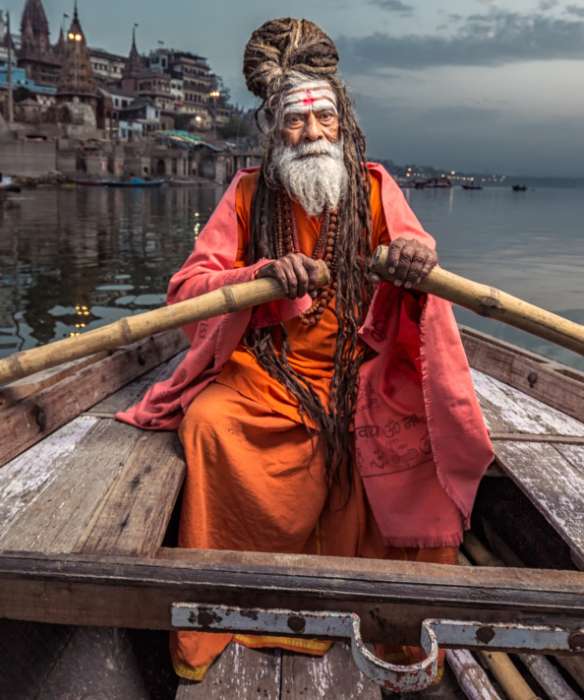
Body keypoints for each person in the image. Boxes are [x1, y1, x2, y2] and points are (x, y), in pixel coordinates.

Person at [118, 17, 493, 684]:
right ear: (271, 126)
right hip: (270, 373)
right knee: (209, 425)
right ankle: (232, 614)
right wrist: (255, 278)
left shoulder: (377, 188)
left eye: (323, 117)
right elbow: (186, 293)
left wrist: (415, 255)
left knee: (421, 433)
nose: (312, 133)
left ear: (342, 120)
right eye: (295, 120)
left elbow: (421, 257)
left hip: (364, 369)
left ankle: (395, 622)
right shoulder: (245, 195)